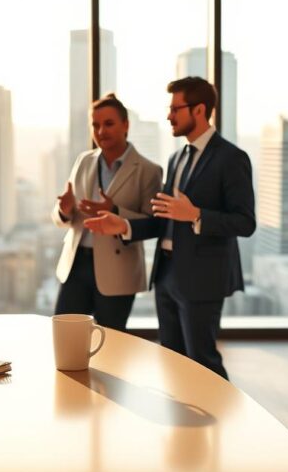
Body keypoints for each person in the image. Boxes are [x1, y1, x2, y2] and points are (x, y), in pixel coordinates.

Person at [84, 77, 255, 379]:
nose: (169, 116)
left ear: (199, 110)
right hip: (166, 276)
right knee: (173, 361)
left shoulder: (231, 158)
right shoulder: (176, 159)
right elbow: (163, 218)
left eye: (176, 109)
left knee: (203, 361)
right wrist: (122, 225)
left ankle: (223, 424)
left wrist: (196, 215)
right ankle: (185, 424)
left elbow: (245, 222)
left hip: (203, 278)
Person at [52, 93, 163, 331]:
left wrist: (115, 211)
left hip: (118, 270)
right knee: (65, 334)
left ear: (126, 125)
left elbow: (155, 224)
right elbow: (64, 215)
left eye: (109, 124)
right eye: (96, 125)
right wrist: (64, 211)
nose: (101, 131)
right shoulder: (83, 160)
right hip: (77, 264)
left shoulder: (148, 170)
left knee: (112, 344)